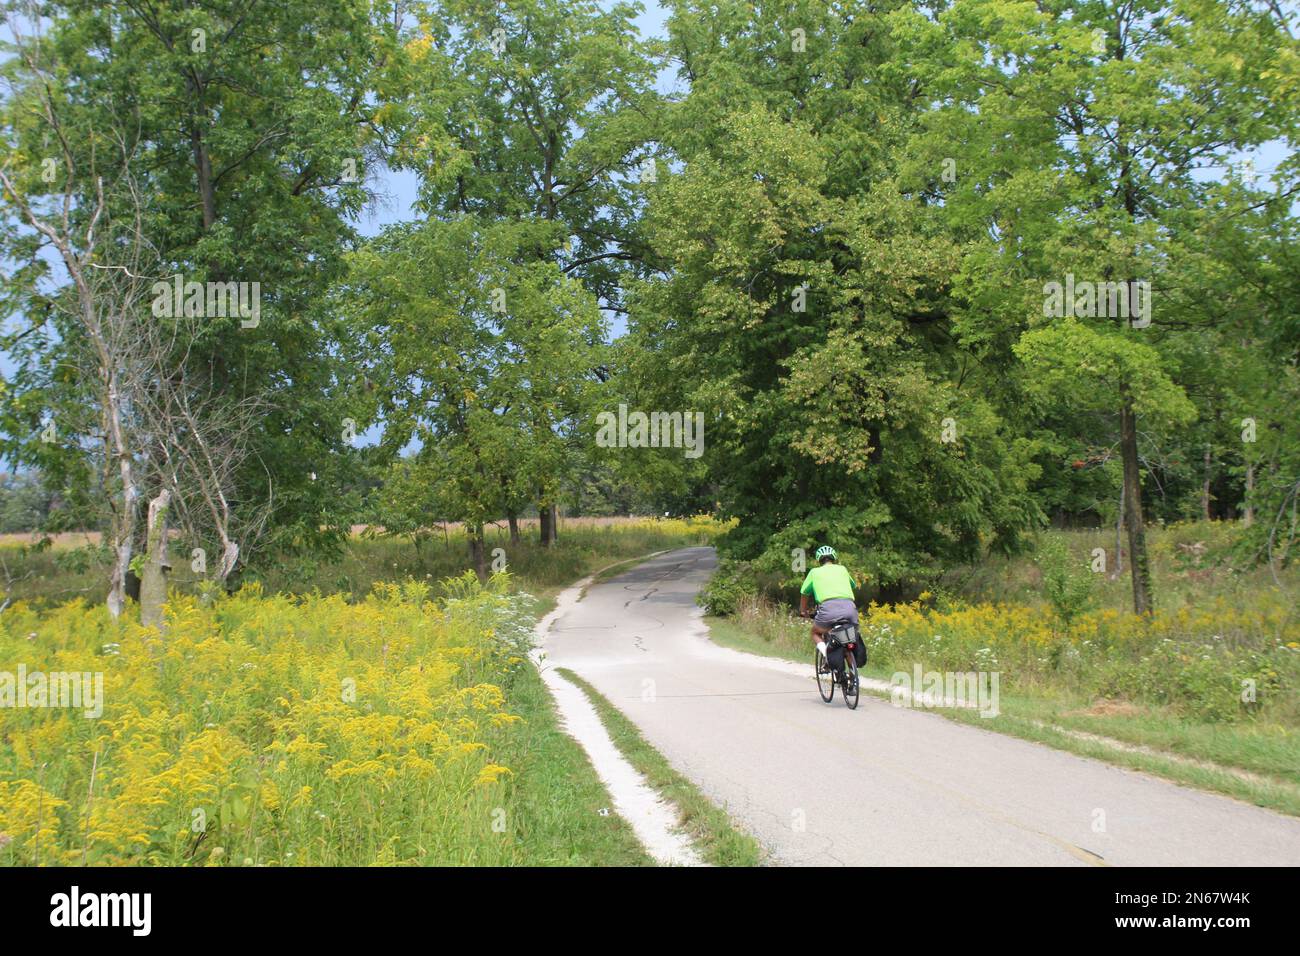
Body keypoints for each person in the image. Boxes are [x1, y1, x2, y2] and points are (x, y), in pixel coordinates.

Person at [798, 545, 859, 661]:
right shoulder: (842, 569)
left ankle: (828, 654)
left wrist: (803, 611)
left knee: (815, 633)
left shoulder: (814, 572)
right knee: (847, 639)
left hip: (828, 610)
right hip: (850, 609)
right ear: (834, 558)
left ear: (819, 560)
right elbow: (852, 585)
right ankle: (853, 675)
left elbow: (804, 592)